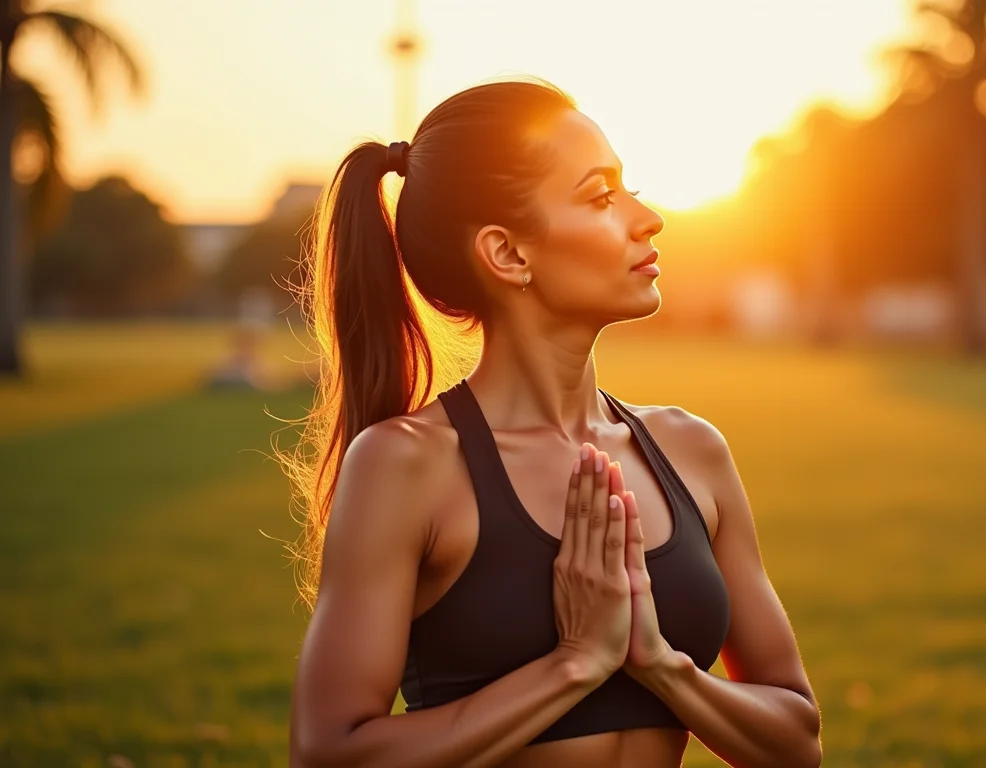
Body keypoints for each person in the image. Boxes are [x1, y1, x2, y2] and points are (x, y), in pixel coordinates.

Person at [286, 78, 821, 768]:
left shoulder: (692, 451)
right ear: (508, 253)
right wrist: (572, 665)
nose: (649, 218)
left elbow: (797, 742)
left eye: (629, 188)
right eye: (601, 197)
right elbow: (330, 753)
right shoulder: (407, 464)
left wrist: (661, 666)